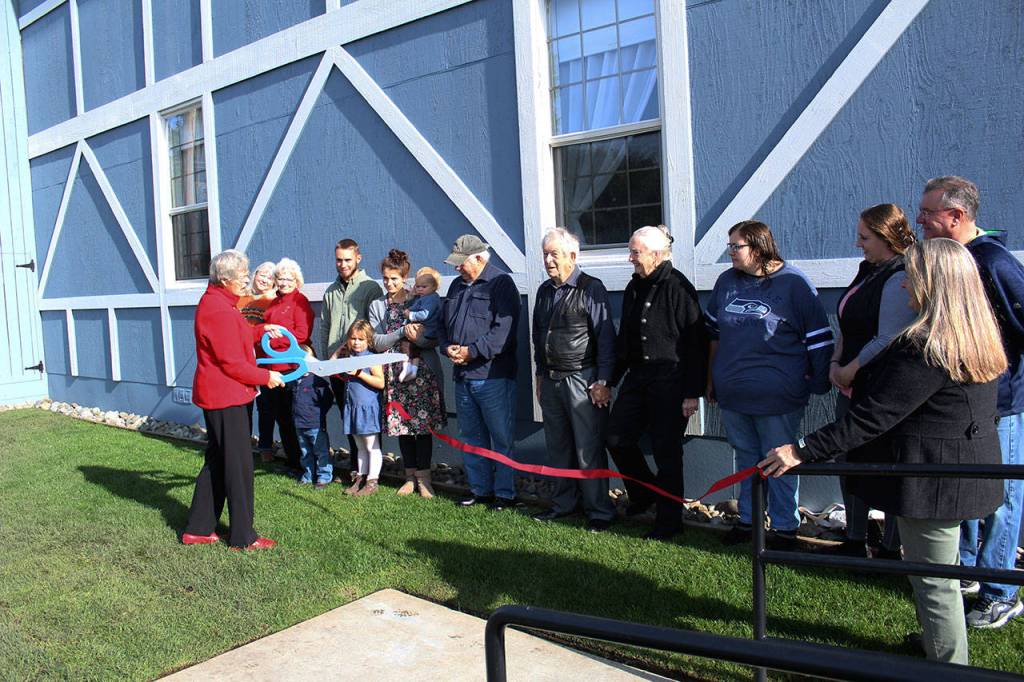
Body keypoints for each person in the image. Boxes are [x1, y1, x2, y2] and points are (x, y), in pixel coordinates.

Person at [760, 238, 1007, 664]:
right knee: (940, 577)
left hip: (934, 481)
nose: (904, 286)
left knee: (933, 582)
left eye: (911, 278)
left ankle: (949, 667)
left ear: (935, 283)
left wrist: (801, 450)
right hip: (961, 472)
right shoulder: (975, 334)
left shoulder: (927, 346)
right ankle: (939, 645)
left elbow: (871, 418)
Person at [917, 175, 1024, 628]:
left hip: (1000, 402)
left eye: (927, 213)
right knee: (963, 489)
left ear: (956, 217)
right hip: (960, 401)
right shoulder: (953, 258)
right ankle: (967, 574)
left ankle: (1001, 590)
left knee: (1000, 496)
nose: (918, 219)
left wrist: (1004, 376)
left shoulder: (994, 263)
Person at [705, 220, 832, 549]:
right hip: (734, 394)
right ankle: (748, 522)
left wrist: (818, 382)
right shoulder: (727, 282)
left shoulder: (793, 284)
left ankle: (785, 529)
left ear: (759, 248)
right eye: (729, 246)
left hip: (778, 396)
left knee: (777, 460)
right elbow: (713, 335)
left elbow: (819, 340)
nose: (730, 252)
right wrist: (711, 380)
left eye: (737, 247)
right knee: (746, 459)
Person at [826, 205, 917, 558]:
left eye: (865, 238)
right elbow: (848, 323)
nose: (858, 243)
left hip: (880, 387)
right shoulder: (868, 270)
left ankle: (891, 547)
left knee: (885, 465)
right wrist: (837, 360)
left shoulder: (899, 273)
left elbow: (887, 337)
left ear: (886, 238)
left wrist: (850, 369)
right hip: (850, 382)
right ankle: (854, 537)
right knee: (848, 460)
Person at [606, 225, 707, 541]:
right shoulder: (633, 287)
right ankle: (644, 494)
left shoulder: (679, 288)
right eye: (631, 251)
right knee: (616, 438)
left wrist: (692, 393)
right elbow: (626, 341)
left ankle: (669, 522)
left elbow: (696, 343)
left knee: (667, 453)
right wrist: (610, 381)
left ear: (657, 254)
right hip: (637, 379)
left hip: (670, 383)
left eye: (635, 252)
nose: (630, 258)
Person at [182, 249, 284, 550]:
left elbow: (234, 336)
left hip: (220, 395)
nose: (246, 281)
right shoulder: (218, 309)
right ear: (225, 279)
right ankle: (243, 536)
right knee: (238, 467)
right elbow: (232, 363)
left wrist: (261, 330)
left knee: (217, 460)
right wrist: (266, 377)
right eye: (242, 277)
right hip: (224, 396)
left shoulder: (219, 302)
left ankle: (199, 528)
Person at [531, 228, 616, 532]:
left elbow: (605, 338)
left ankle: (599, 512)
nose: (548, 260)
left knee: (587, 448)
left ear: (572, 256)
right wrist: (540, 376)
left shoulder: (590, 288)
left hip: (582, 379)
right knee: (558, 447)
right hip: (551, 380)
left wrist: (603, 381)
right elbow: (538, 335)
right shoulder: (543, 290)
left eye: (554, 254)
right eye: (545, 254)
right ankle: (564, 505)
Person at [439, 235, 521, 511]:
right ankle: (480, 491)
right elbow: (442, 326)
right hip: (463, 377)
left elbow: (503, 333)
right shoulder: (455, 287)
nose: (457, 268)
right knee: (472, 437)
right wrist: (447, 347)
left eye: (461, 263)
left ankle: (505, 494)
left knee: (500, 438)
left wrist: (471, 352)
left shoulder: (501, 284)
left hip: (493, 376)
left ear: (479, 258)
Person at [369, 251, 447, 498]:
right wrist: (403, 330)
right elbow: (378, 342)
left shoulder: (419, 301)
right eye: (385, 279)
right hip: (395, 374)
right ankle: (409, 477)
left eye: (394, 278)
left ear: (405, 277)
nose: (389, 284)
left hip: (422, 371)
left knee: (421, 427)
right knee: (402, 426)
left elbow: (433, 338)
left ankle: (425, 479)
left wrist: (418, 338)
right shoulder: (378, 305)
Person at [320, 238, 384, 481]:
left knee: (367, 416)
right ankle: (358, 469)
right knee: (349, 414)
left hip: (363, 366)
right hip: (338, 366)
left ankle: (373, 471)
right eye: (339, 259)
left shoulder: (370, 288)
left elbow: (374, 327)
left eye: (347, 259)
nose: (342, 264)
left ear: (358, 258)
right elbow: (325, 326)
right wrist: (328, 358)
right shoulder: (330, 291)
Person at [259, 258, 314, 477]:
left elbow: (302, 334)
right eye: (280, 278)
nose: (284, 282)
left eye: (288, 278)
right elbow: (264, 328)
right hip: (272, 366)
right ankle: (292, 460)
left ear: (296, 280)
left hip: (291, 366)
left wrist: (274, 342)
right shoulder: (274, 302)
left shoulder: (300, 302)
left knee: (294, 415)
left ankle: (303, 463)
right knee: (281, 415)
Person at [237, 261, 277, 462]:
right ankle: (242, 444)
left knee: (266, 404)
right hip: (242, 358)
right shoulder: (242, 299)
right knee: (244, 404)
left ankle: (265, 446)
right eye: (262, 274)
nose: (265, 279)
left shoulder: (274, 301)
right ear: (255, 274)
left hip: (264, 358)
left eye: (270, 277)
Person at [340, 321, 385, 497]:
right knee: (359, 446)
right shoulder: (348, 358)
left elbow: (380, 382)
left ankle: (372, 480)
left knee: (371, 445)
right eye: (353, 339)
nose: (356, 343)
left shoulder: (372, 358)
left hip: (367, 408)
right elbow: (332, 364)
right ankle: (361, 476)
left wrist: (360, 373)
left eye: (361, 339)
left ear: (369, 340)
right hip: (353, 407)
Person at [292, 346, 334, 489]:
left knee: (321, 451)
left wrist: (318, 413)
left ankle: (324, 477)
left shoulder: (317, 380)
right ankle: (308, 475)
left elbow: (327, 399)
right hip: (299, 423)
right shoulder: (295, 380)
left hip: (315, 423)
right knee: (305, 452)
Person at [398, 266, 442, 383]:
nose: (418, 288)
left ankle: (410, 368)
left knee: (410, 345)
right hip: (417, 338)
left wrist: (410, 315)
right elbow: (413, 306)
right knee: (411, 347)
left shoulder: (431, 299)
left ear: (432, 286)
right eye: (417, 285)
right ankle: (410, 369)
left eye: (423, 285)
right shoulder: (419, 297)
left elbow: (424, 314)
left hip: (427, 353)